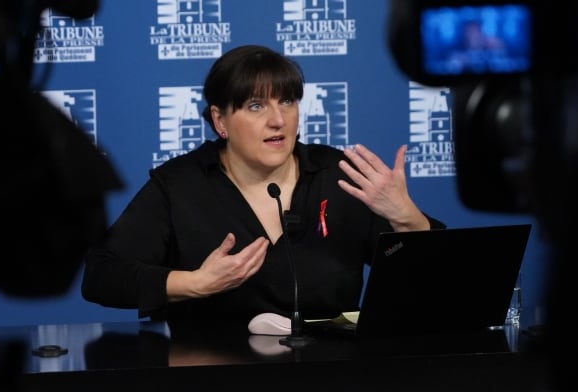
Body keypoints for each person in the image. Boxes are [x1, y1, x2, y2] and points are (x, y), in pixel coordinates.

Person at [82, 44, 445, 324]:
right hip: (212, 385)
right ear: (220, 120)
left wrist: (408, 221)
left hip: (333, 379)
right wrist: (195, 283)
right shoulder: (180, 185)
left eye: (287, 101)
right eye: (256, 106)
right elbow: (102, 275)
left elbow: (436, 287)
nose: (278, 120)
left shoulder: (338, 174)